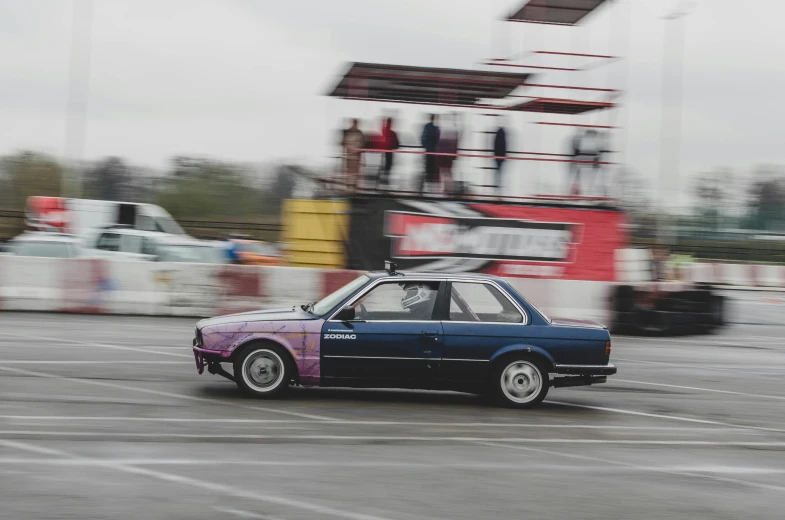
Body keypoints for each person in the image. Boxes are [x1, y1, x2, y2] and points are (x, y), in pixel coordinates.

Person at [437, 113, 459, 195]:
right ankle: (448, 189)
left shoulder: (442, 129)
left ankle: (445, 189)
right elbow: (454, 144)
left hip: (442, 155)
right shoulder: (453, 130)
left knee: (443, 172)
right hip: (448, 155)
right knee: (448, 173)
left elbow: (440, 143)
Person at [340, 119, 365, 191]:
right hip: (350, 155)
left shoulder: (358, 132)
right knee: (350, 171)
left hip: (355, 155)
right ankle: (349, 186)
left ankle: (354, 186)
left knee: (354, 171)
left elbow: (363, 144)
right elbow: (343, 143)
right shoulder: (349, 132)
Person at [420, 114, 440, 193]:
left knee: (428, 168)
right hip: (434, 151)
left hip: (428, 150)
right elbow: (438, 139)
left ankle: (427, 186)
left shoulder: (427, 127)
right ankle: (430, 187)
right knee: (432, 169)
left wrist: (425, 146)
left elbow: (423, 138)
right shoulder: (436, 128)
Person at [377, 117, 399, 189]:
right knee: (388, 167)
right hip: (389, 152)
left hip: (386, 152)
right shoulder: (392, 133)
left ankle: (383, 180)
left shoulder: (385, 132)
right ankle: (385, 180)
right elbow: (397, 145)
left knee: (385, 166)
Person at [493, 122, 508, 195]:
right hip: (500, 156)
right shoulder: (503, 132)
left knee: (498, 172)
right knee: (500, 172)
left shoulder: (498, 132)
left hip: (498, 156)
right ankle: (499, 189)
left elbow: (496, 144)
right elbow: (504, 145)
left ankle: (497, 189)